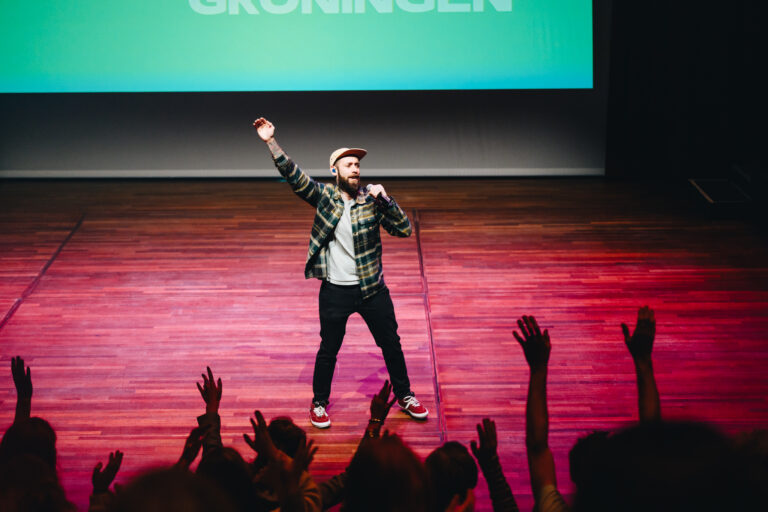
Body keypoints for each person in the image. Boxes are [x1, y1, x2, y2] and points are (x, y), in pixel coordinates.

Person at [253, 117, 428, 428]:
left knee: (391, 343)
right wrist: (270, 142)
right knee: (328, 349)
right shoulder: (325, 197)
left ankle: (405, 395)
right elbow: (294, 177)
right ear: (335, 170)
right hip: (336, 291)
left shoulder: (371, 202)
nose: (355, 169)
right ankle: (319, 402)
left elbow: (403, 229)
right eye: (348, 164)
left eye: (357, 165)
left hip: (372, 289)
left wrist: (385, 200)